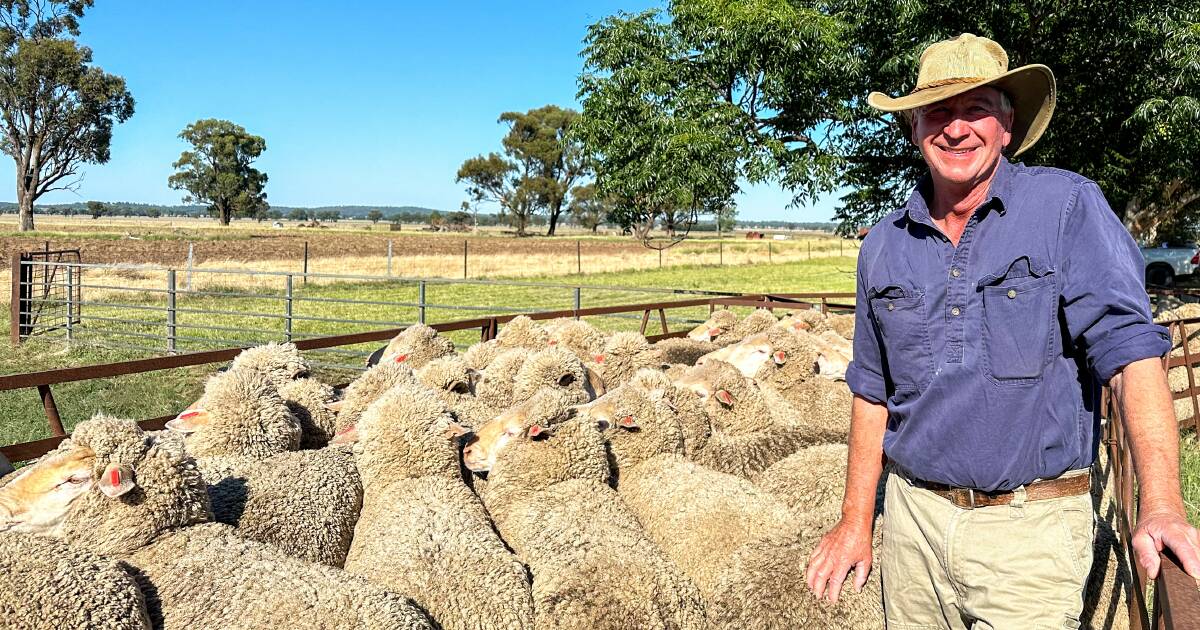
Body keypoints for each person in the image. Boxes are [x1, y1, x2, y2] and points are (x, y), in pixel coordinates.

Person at [804, 33, 1200, 628]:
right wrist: (856, 520)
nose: (956, 128)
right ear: (914, 126)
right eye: (937, 111)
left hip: (1030, 531)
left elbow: (1130, 357)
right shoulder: (884, 243)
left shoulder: (1066, 208)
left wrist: (1162, 503)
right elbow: (871, 390)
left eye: (976, 109)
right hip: (913, 527)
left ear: (1007, 126)